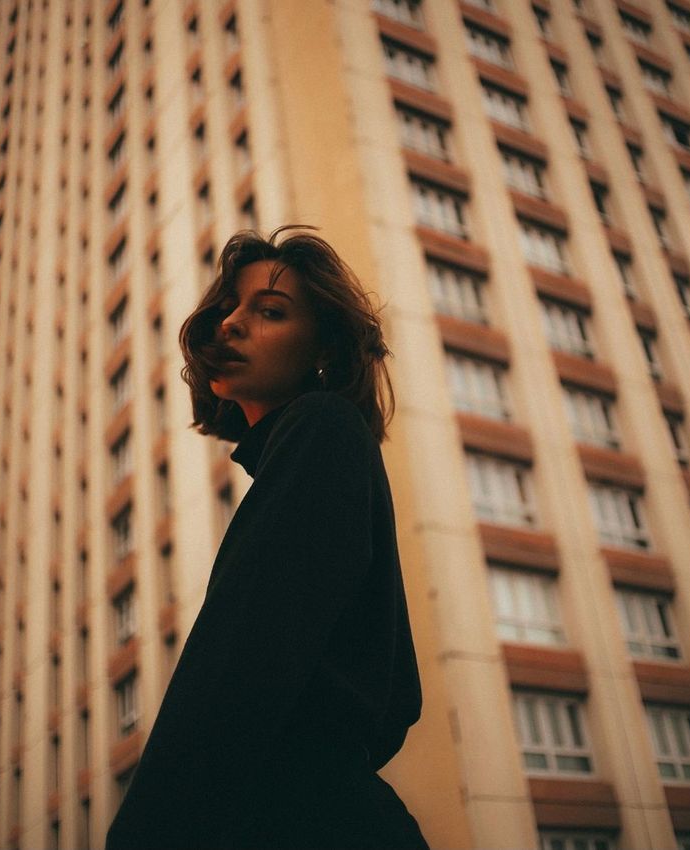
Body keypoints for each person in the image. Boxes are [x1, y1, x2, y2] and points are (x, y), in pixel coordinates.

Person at [105, 226, 430, 850]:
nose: (230, 324)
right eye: (228, 307)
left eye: (270, 311)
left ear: (325, 348)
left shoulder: (322, 425)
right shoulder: (311, 445)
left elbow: (242, 652)